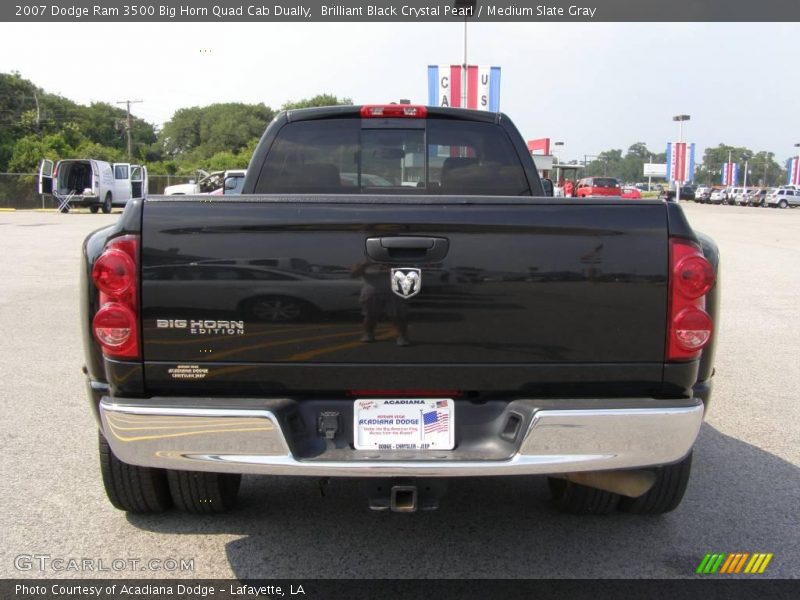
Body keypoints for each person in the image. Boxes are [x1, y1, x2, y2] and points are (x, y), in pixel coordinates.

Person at [351, 262, 411, 346]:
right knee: (370, 315)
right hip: (371, 293)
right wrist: (366, 264)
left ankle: (402, 337)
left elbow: (405, 274)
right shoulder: (361, 264)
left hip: (394, 292)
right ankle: (368, 334)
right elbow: (354, 275)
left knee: (396, 315)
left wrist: (388, 266)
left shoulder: (396, 262)